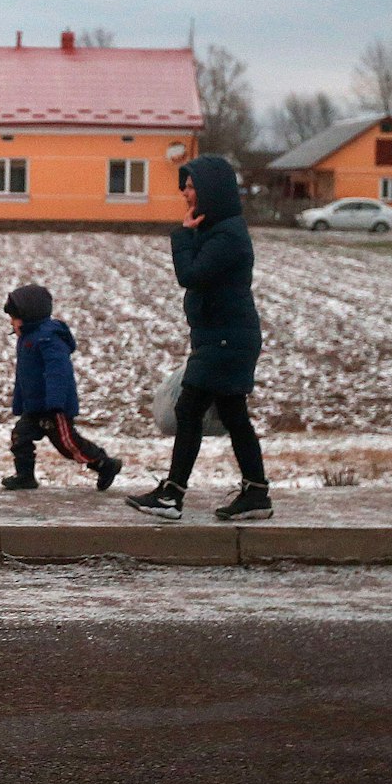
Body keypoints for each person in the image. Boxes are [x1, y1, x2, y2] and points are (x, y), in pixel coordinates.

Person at [127, 155, 272, 521]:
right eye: (185, 186)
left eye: (190, 186)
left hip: (226, 340)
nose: (185, 193)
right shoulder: (220, 230)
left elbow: (190, 274)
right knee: (233, 414)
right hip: (223, 337)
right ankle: (256, 493)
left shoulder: (227, 235)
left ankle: (173, 495)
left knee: (189, 408)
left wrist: (182, 233)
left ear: (211, 191)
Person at [0, 284, 122, 492]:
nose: (12, 324)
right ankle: (25, 475)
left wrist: (55, 402)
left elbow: (58, 372)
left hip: (52, 407)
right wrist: (20, 402)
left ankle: (104, 464)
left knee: (68, 445)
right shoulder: (26, 339)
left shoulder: (48, 338)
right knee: (20, 437)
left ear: (29, 315)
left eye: (14, 318)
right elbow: (24, 376)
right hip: (34, 406)